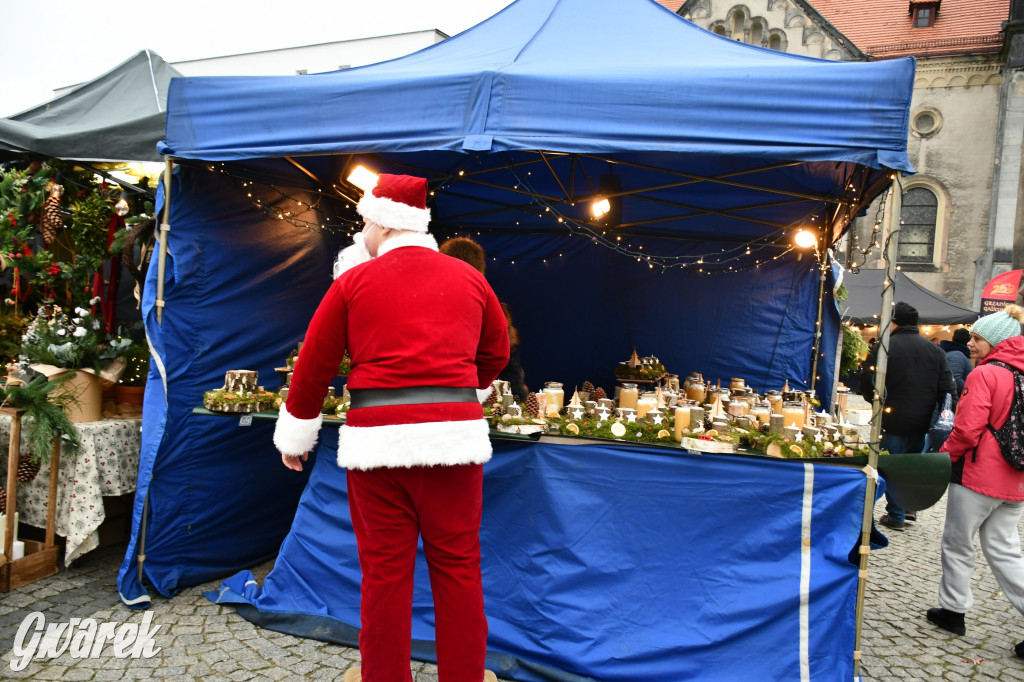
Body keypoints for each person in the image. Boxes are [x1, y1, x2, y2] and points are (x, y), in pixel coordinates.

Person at [273, 174, 509, 682]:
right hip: (455, 442)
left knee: (384, 575)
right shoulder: (470, 278)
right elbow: (497, 351)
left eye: (364, 221)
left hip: (376, 445)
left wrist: (298, 435)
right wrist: (468, 388)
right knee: (459, 570)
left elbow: (314, 364)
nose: (362, 230)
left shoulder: (352, 282)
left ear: (383, 221)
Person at [926, 305, 1024, 658]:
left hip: (977, 476)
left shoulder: (987, 375)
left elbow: (966, 431)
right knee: (1006, 551)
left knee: (957, 542)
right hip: (1016, 481)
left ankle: (953, 611)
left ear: (998, 342)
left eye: (979, 338)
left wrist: (941, 458)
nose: (971, 343)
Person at [860, 301, 956, 530]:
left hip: (890, 418)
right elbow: (948, 391)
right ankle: (902, 511)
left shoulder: (885, 346)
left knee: (882, 466)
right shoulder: (935, 351)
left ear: (894, 322)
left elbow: (867, 381)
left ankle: (884, 514)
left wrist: (873, 400)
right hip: (920, 422)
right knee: (906, 467)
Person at [438, 236, 528, 402]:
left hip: (467, 397)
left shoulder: (433, 304)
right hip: (482, 396)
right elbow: (501, 357)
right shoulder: (489, 301)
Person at [940, 327, 974, 406]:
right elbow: (955, 379)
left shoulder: (953, 353)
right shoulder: (957, 355)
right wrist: (970, 392)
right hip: (953, 403)